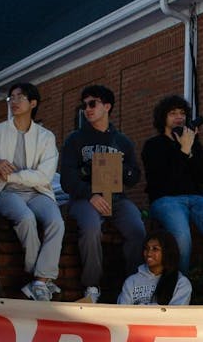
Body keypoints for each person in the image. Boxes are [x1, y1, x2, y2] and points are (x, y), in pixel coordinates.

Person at [59, 85, 146, 303]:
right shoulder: (75, 140)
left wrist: (124, 169)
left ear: (107, 106)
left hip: (117, 199)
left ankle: (133, 287)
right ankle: (92, 287)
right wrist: (90, 194)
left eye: (92, 103)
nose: (87, 109)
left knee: (137, 229)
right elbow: (67, 179)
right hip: (85, 199)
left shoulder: (123, 142)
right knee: (90, 228)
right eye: (84, 105)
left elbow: (135, 177)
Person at [0, 82, 63, 302]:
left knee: (57, 222)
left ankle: (39, 281)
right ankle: (40, 278)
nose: (14, 102)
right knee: (26, 218)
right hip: (6, 192)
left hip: (38, 192)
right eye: (11, 98)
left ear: (33, 103)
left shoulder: (46, 137)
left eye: (20, 97)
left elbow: (44, 176)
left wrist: (11, 174)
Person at [142, 94, 203, 272]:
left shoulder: (192, 143)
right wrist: (183, 151)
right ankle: (177, 288)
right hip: (166, 200)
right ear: (163, 118)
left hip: (196, 198)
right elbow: (164, 180)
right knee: (182, 239)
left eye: (182, 113)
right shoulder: (153, 145)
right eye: (173, 113)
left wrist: (190, 151)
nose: (179, 117)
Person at [118, 233, 191, 305]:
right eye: (146, 248)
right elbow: (122, 312)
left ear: (167, 251)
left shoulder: (181, 283)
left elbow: (175, 315)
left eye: (155, 249)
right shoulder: (131, 281)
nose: (149, 253)